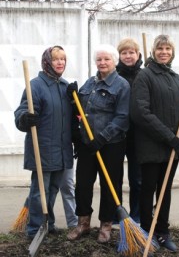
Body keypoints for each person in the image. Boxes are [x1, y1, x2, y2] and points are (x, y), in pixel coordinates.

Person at [130, 34, 179, 252]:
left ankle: (163, 232)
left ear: (172, 52)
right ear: (153, 51)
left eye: (167, 49)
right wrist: (167, 136)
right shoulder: (145, 76)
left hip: (172, 146)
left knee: (165, 189)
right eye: (160, 49)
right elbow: (140, 112)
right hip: (151, 144)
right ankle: (146, 232)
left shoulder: (177, 79)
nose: (164, 52)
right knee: (147, 188)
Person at [66, 44, 130, 243]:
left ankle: (106, 225)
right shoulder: (89, 84)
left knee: (110, 185)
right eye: (99, 59)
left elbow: (122, 117)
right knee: (83, 184)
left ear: (114, 61)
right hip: (87, 145)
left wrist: (102, 138)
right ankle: (83, 223)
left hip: (111, 144)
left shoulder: (121, 85)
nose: (102, 63)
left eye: (107, 59)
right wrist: (72, 97)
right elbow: (80, 110)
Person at [14, 46, 77, 238]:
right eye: (56, 59)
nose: (60, 63)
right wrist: (25, 118)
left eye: (63, 59)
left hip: (62, 148)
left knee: (52, 190)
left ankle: (48, 224)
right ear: (47, 62)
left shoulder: (65, 86)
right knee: (38, 192)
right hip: (42, 148)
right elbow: (21, 111)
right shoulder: (36, 85)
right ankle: (34, 230)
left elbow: (73, 119)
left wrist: (76, 100)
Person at [116, 38, 143, 223]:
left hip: (139, 135)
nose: (128, 56)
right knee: (115, 178)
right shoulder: (111, 75)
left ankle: (137, 216)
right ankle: (116, 215)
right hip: (116, 134)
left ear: (138, 54)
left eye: (131, 52)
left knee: (138, 179)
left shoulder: (145, 75)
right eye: (124, 53)